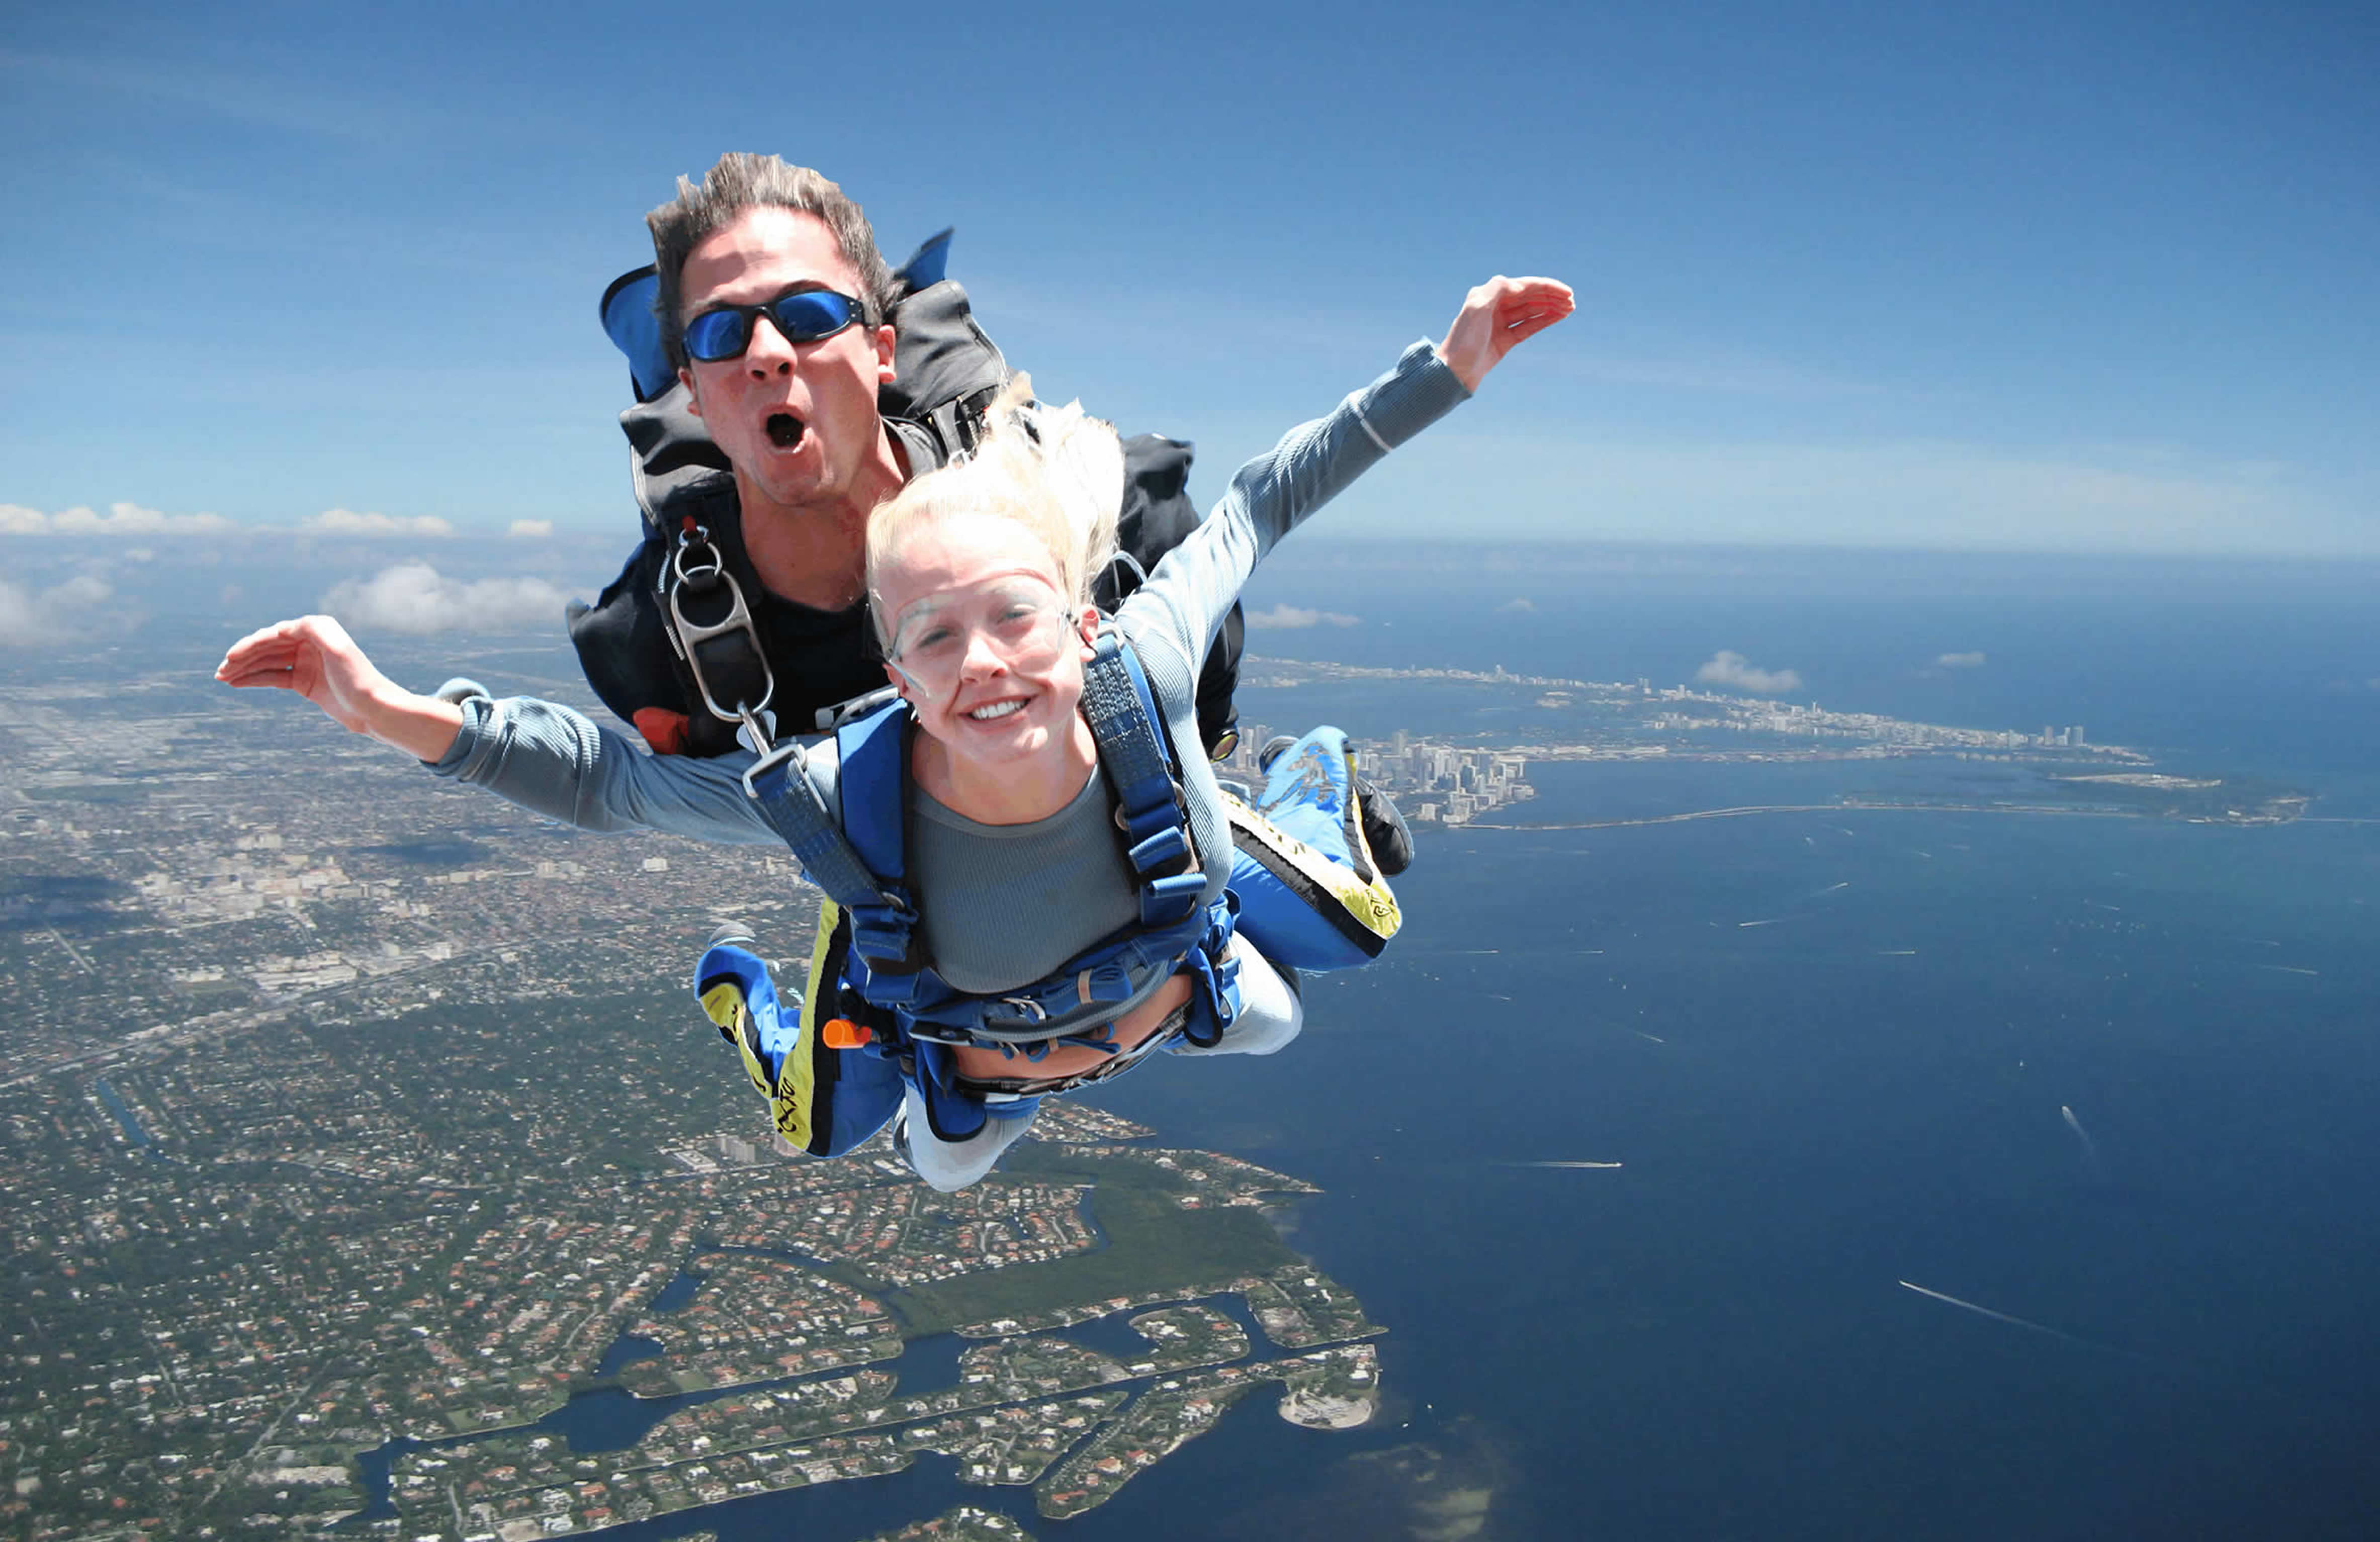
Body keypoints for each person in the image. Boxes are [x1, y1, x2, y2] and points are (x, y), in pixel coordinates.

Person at [217, 272, 1572, 1189]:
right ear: (894, 679)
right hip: (1020, 1051)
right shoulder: (831, 793)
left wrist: (1442, 370)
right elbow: (614, 787)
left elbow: (1262, 505)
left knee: (1328, 962)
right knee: (892, 1145)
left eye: (1014, 619)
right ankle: (765, 1002)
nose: (982, 664)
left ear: (1083, 623)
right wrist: (387, 708)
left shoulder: (1143, 667)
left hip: (1177, 984)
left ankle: (1305, 791)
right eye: (932, 638)